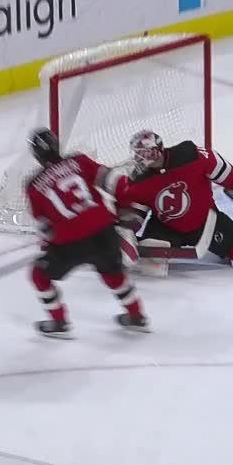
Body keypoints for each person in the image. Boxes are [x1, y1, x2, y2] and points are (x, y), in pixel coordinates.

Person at [25, 129, 149, 338]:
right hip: (104, 231)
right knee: (112, 273)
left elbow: (44, 225)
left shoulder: (33, 186)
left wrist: (47, 245)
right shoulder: (80, 161)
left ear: (36, 155)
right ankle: (136, 315)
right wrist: (126, 208)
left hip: (69, 245)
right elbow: (115, 181)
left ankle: (59, 322)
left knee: (39, 275)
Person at [106, 130, 233, 275]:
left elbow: (219, 167)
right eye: (137, 153)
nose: (138, 157)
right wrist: (126, 231)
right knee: (151, 265)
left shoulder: (190, 155)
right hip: (165, 227)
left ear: (154, 151)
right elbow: (135, 209)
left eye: (142, 153)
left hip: (206, 221)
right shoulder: (138, 179)